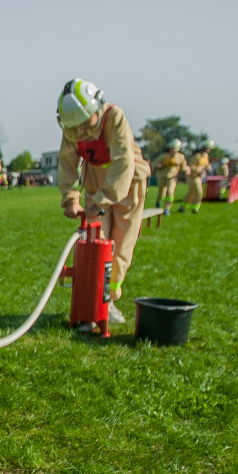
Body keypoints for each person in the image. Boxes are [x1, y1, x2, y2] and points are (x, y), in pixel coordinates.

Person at [56, 78, 151, 327]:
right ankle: (90, 306)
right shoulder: (72, 129)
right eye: (75, 127)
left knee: (119, 247)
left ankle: (108, 301)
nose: (81, 133)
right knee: (93, 245)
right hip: (95, 182)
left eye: (85, 124)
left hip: (128, 184)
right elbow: (66, 164)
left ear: (97, 109)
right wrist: (70, 199)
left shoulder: (114, 118)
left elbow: (123, 163)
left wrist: (102, 200)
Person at [152, 138, 188, 215]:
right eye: (172, 149)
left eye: (175, 149)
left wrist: (187, 171)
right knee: (161, 193)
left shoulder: (181, 157)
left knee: (170, 192)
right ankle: (158, 202)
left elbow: (184, 167)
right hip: (162, 176)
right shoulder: (164, 156)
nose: (173, 151)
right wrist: (158, 166)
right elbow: (154, 164)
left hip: (173, 177)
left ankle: (167, 208)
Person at [181, 139, 213, 213]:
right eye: (208, 148)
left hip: (199, 177)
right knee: (199, 192)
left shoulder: (206, 156)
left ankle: (183, 207)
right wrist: (200, 169)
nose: (209, 150)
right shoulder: (197, 156)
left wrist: (208, 167)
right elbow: (191, 166)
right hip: (193, 176)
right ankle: (195, 208)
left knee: (191, 193)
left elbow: (205, 164)